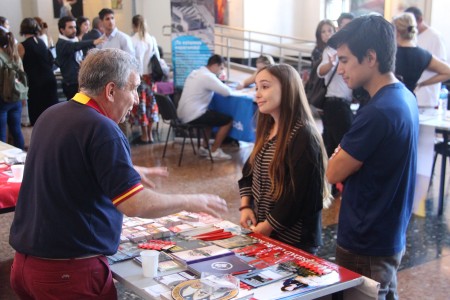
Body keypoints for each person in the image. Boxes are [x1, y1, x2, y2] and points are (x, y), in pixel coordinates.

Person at [9, 48, 228, 299]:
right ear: (111, 91)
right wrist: (190, 200)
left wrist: (126, 169)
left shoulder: (51, 114)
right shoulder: (103, 129)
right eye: (133, 88)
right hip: (68, 274)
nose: (136, 99)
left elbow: (67, 163)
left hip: (25, 267)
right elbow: (134, 204)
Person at [326, 15, 419, 299]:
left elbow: (333, 172)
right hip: (387, 233)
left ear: (370, 57)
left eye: (344, 60)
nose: (340, 69)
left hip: (366, 241)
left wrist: (340, 152)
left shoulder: (377, 112)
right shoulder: (403, 96)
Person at [238, 64, 330, 254]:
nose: (257, 94)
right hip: (269, 233)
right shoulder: (268, 129)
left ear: (287, 88)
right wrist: (246, 206)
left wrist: (268, 226)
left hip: (294, 241)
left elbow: (298, 195)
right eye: (256, 87)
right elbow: (249, 171)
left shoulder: (303, 135)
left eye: (265, 86)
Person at [177, 54, 233, 160]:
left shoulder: (196, 72)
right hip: (193, 114)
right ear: (215, 65)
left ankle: (204, 147)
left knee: (210, 117)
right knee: (228, 121)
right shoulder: (208, 76)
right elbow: (227, 92)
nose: (220, 71)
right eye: (221, 68)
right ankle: (215, 151)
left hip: (182, 114)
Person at [317, 13, 354, 158]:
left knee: (333, 145)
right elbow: (320, 71)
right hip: (335, 102)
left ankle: (331, 179)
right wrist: (330, 64)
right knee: (343, 146)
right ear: (339, 28)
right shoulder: (331, 49)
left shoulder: (351, 47)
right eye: (346, 26)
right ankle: (335, 179)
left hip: (343, 103)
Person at [393, 12, 450, 94]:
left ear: (397, 32)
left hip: (393, 97)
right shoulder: (423, 55)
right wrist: (422, 84)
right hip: (411, 98)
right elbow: (447, 72)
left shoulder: (391, 54)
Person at [18, 18, 58, 125]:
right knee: (52, 115)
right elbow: (50, 60)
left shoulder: (22, 46)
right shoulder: (41, 42)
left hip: (35, 83)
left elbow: (19, 66)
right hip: (49, 80)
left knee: (38, 118)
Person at [405, 6, 447, 109]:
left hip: (426, 99)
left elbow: (443, 69)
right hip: (409, 96)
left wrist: (422, 83)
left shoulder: (435, 37)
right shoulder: (411, 37)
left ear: (419, 20)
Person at [56, 16, 104, 100]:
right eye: (70, 27)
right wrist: (93, 41)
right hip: (71, 84)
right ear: (62, 30)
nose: (74, 30)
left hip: (78, 82)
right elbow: (74, 46)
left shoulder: (74, 39)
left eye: (75, 27)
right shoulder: (62, 43)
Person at [130, 14, 160, 144]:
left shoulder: (133, 40)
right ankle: (150, 134)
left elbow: (130, 61)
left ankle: (144, 135)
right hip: (151, 77)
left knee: (141, 105)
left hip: (139, 77)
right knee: (151, 105)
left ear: (134, 25)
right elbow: (158, 58)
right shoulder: (151, 39)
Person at [0, 30, 25, 149]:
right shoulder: (14, 55)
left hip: (2, 99)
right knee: (16, 130)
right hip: (16, 97)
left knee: (2, 135)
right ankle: (21, 159)